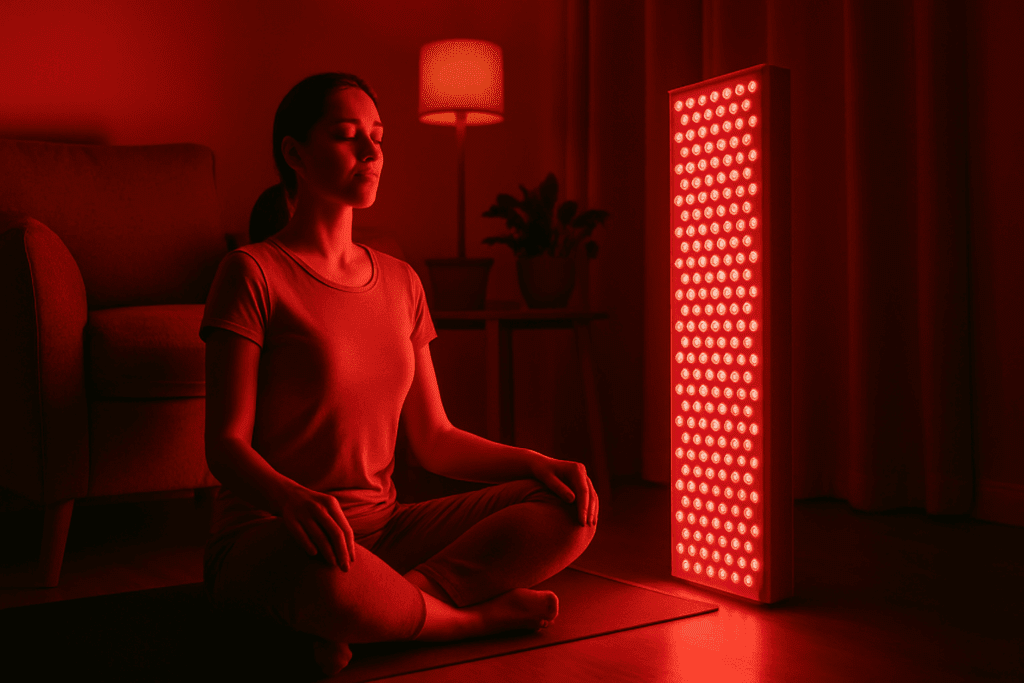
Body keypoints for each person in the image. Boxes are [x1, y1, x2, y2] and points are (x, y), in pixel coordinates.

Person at [199, 72, 599, 676]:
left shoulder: (402, 281)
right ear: (294, 154)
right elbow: (225, 446)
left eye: (378, 137)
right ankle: (468, 620)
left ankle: (388, 609)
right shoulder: (251, 273)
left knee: (568, 508)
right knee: (331, 580)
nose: (371, 151)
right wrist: (293, 500)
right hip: (279, 535)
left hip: (384, 533)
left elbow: (435, 439)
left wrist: (535, 462)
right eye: (347, 135)